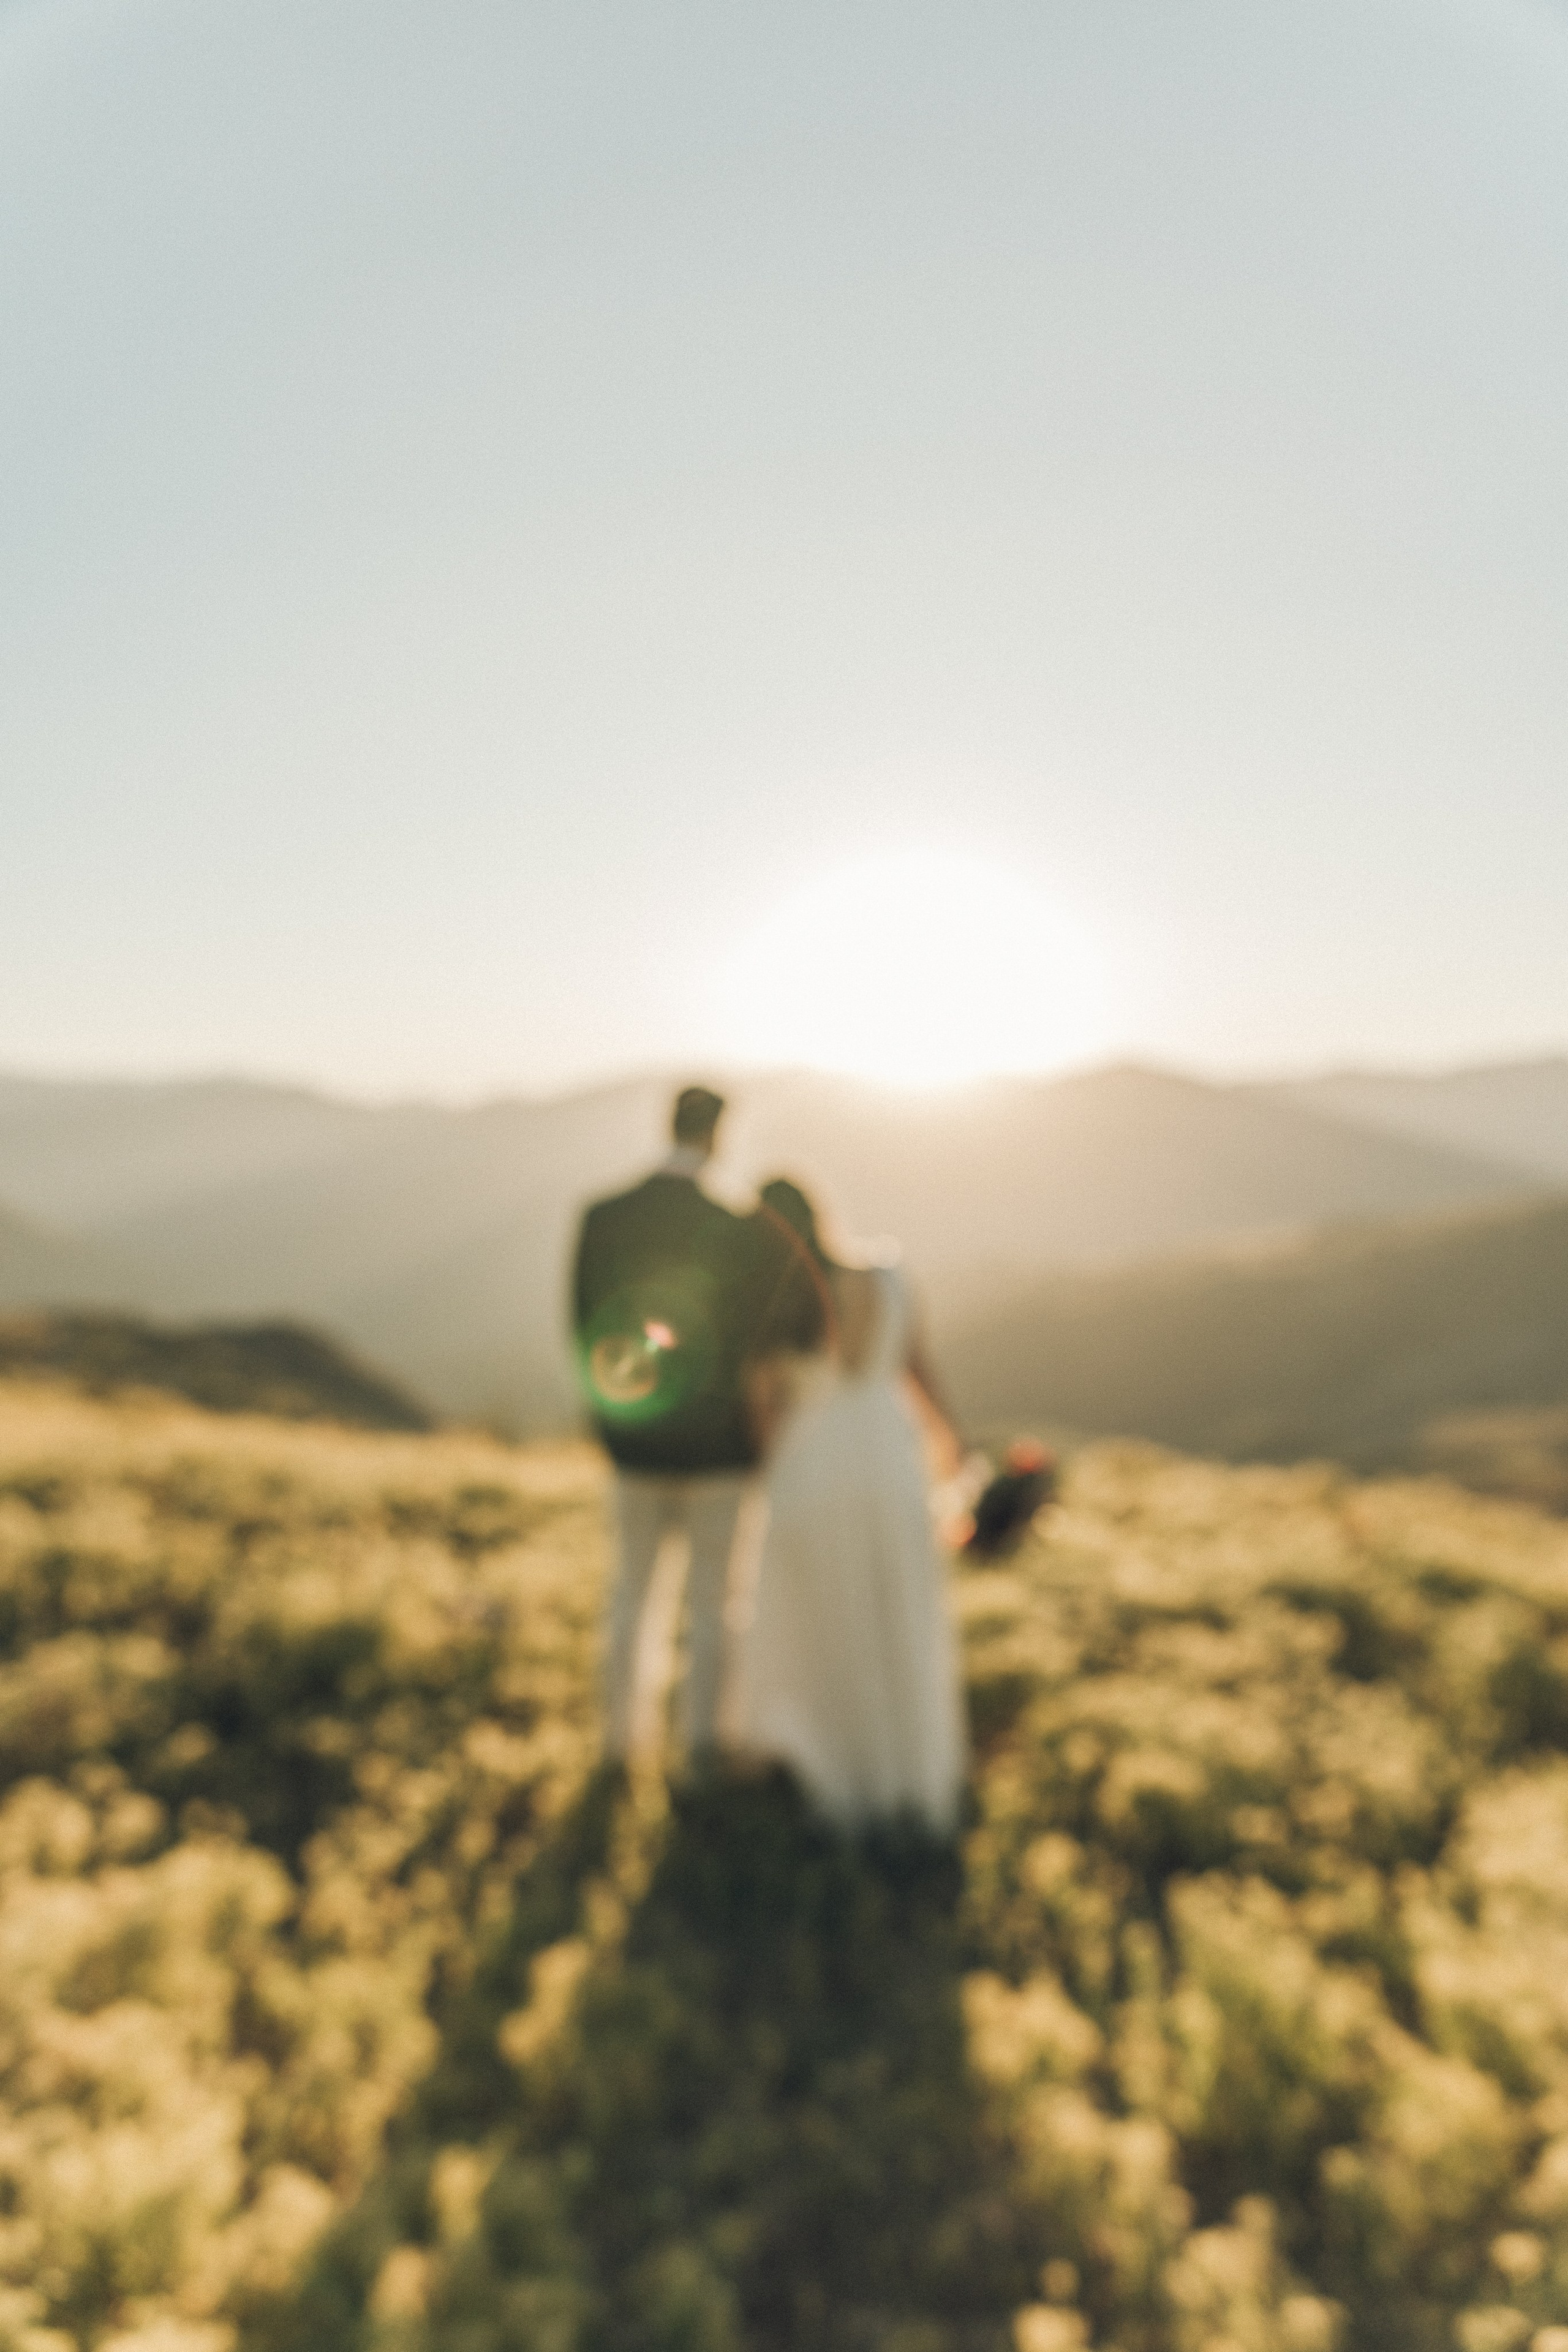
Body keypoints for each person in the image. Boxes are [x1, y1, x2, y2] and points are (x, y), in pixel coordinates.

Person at [571, 1087, 821, 1763]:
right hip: (721, 1452)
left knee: (631, 1593)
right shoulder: (739, 1232)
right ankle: (702, 1749)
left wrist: (618, 1416)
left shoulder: (604, 1216)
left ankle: (621, 1744)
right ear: (718, 1137)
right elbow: (769, 1337)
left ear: (669, 1125)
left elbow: (583, 1327)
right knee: (715, 1606)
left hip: (635, 1447)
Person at [731, 1177, 967, 1836]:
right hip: (889, 1459)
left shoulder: (781, 1297)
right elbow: (919, 1369)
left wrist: (761, 1464)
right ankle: (905, 1779)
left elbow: (764, 1402)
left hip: (815, 1464)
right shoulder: (890, 1274)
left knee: (819, 1620)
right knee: (893, 1608)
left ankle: (825, 1766)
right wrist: (954, 1446)